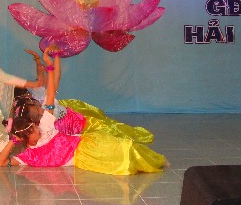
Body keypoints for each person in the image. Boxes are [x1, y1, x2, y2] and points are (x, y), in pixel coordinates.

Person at [0, 48, 169, 175]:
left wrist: (49, 65)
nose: (37, 128)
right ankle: (148, 162)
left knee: (123, 145)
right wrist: (13, 140)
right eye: (33, 130)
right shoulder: (28, 156)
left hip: (85, 143)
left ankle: (156, 160)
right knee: (121, 159)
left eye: (34, 126)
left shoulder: (45, 126)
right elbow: (1, 162)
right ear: (24, 138)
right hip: (82, 158)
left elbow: (50, 95)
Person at [20, 49, 155, 143]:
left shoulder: (41, 101)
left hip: (73, 119)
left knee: (107, 128)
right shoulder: (46, 114)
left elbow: (46, 77)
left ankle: (123, 136)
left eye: (37, 108)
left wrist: (46, 59)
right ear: (34, 122)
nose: (40, 110)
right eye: (37, 113)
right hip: (73, 126)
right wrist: (52, 60)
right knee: (104, 133)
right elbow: (54, 78)